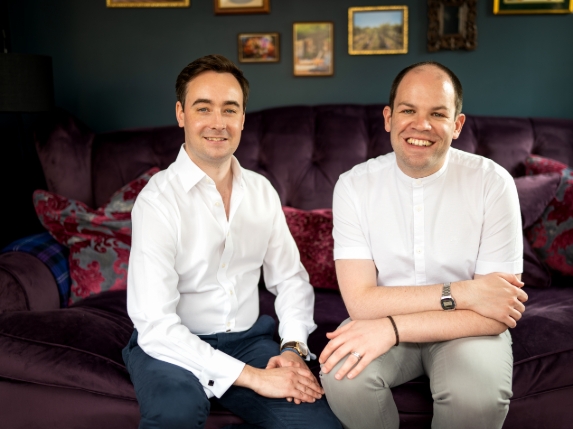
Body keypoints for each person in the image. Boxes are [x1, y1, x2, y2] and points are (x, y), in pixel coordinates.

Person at [123, 54, 341, 429]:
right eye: (203, 108)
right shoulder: (157, 200)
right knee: (174, 412)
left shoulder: (261, 191)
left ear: (242, 118)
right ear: (181, 114)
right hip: (171, 346)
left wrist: (291, 348)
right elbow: (156, 325)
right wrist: (254, 377)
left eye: (230, 109)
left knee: (318, 424)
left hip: (248, 339)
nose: (218, 123)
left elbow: (289, 279)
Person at [319, 61, 528, 429]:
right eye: (408, 111)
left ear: (457, 125)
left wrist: (393, 327)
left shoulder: (493, 183)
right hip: (392, 318)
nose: (421, 125)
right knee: (341, 375)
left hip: (467, 329)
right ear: (388, 117)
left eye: (437, 113)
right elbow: (360, 302)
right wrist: (467, 292)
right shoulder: (353, 186)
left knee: (475, 397)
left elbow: (496, 310)